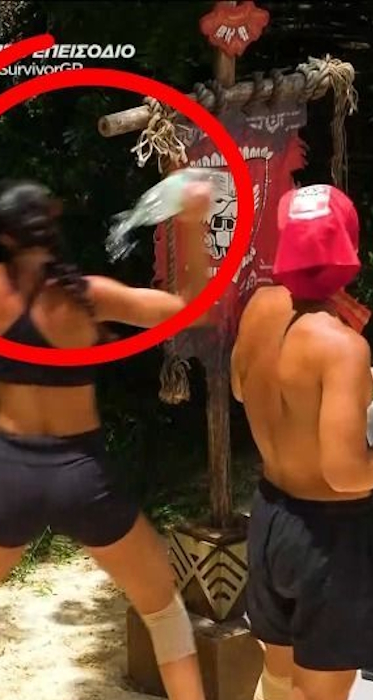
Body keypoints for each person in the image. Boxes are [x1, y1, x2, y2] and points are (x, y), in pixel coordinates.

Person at [0, 177, 212, 700]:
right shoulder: (87, 297)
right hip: (81, 474)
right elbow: (193, 310)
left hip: (10, 473)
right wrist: (191, 223)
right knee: (164, 613)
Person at [230, 183, 373, 700]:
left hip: (271, 516)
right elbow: (344, 472)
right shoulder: (342, 346)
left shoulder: (259, 306)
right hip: (329, 536)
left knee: (279, 679)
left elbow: (244, 387)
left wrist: (346, 386)